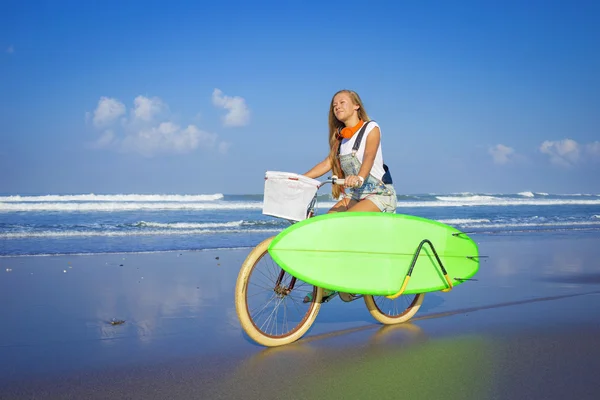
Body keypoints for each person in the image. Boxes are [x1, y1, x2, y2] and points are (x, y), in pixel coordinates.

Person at [302, 89, 398, 302]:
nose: (336, 106)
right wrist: (300, 179)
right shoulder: (340, 139)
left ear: (356, 105)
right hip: (356, 196)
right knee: (323, 226)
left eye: (341, 102)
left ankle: (356, 275)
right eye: (334, 104)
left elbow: (370, 158)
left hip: (379, 195)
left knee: (345, 226)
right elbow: (328, 163)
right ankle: (326, 286)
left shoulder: (371, 128)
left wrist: (360, 177)